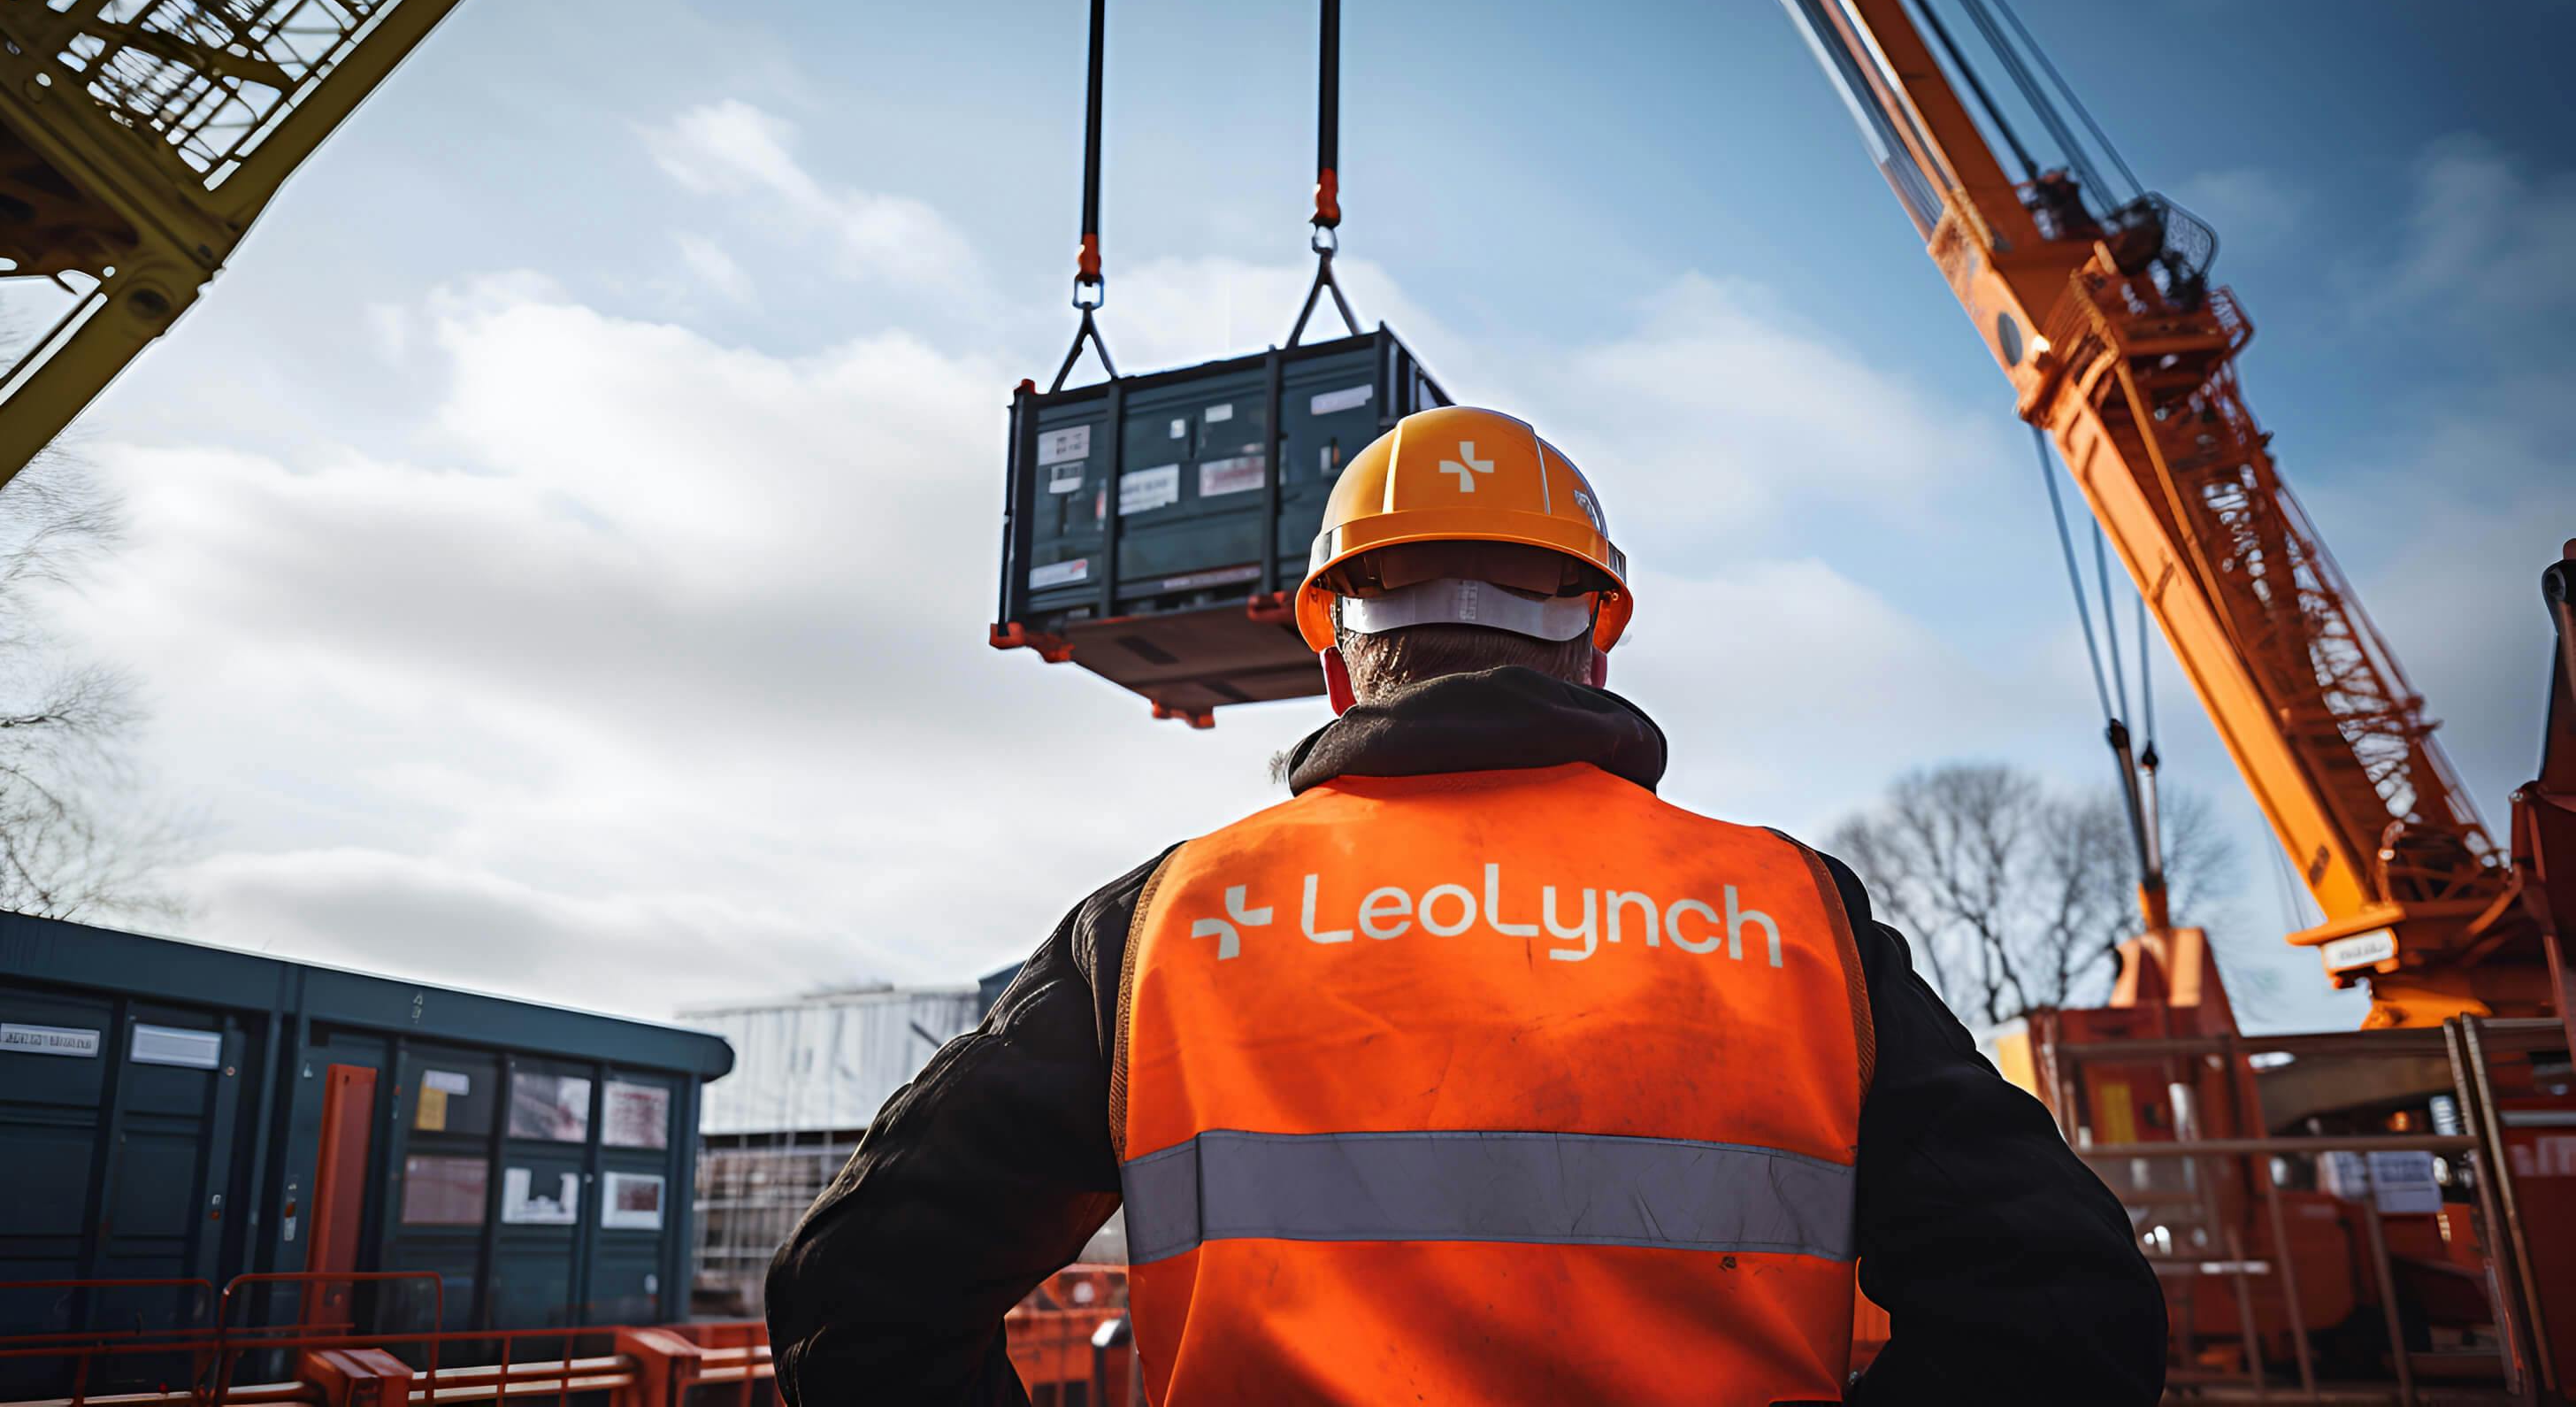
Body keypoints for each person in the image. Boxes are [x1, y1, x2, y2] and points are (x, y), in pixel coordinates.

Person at [766, 406, 2166, 1404]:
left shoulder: (1172, 924)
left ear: (1333, 664)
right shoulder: (1790, 917)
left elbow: (858, 1294)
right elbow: (2065, 1314)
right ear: (1597, 648)